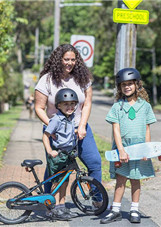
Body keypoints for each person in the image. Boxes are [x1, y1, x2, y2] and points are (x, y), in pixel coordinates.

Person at [34, 44, 102, 208]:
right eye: (66, 59)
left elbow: (87, 103)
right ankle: (49, 202)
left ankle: (97, 199)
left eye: (73, 59)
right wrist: (52, 126)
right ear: (59, 60)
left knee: (94, 162)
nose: (70, 63)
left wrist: (83, 125)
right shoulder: (47, 80)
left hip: (79, 128)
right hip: (55, 130)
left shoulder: (82, 78)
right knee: (55, 167)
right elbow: (38, 107)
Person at [100, 68, 157, 224]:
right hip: (123, 148)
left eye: (130, 84)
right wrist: (121, 150)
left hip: (139, 147)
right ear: (120, 87)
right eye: (123, 85)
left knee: (136, 179)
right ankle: (116, 210)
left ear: (137, 85)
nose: (127, 87)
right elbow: (116, 129)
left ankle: (134, 209)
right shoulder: (117, 106)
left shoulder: (145, 106)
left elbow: (147, 129)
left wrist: (146, 149)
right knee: (121, 179)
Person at [43, 88, 78, 221]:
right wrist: (49, 151)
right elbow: (45, 136)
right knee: (57, 182)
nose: (70, 107)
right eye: (66, 104)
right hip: (58, 155)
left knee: (65, 181)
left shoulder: (70, 118)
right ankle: (55, 207)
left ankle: (62, 206)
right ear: (58, 105)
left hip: (68, 154)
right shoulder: (56, 120)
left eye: (72, 104)